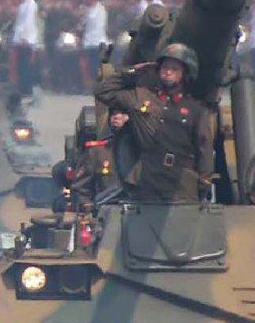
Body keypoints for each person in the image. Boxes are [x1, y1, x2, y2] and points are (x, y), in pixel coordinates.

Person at [92, 42, 214, 203]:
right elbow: (103, 92)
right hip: (145, 182)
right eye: (164, 68)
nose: (168, 72)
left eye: (174, 69)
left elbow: (204, 148)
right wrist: (133, 71)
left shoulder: (195, 110)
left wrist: (204, 182)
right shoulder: (141, 97)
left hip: (181, 187)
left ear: (184, 73)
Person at [8, 0, 42, 94]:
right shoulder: (22, 4)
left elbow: (28, 23)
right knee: (20, 65)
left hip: (26, 40)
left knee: (25, 66)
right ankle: (22, 86)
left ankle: (27, 89)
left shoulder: (31, 3)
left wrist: (24, 39)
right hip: (19, 39)